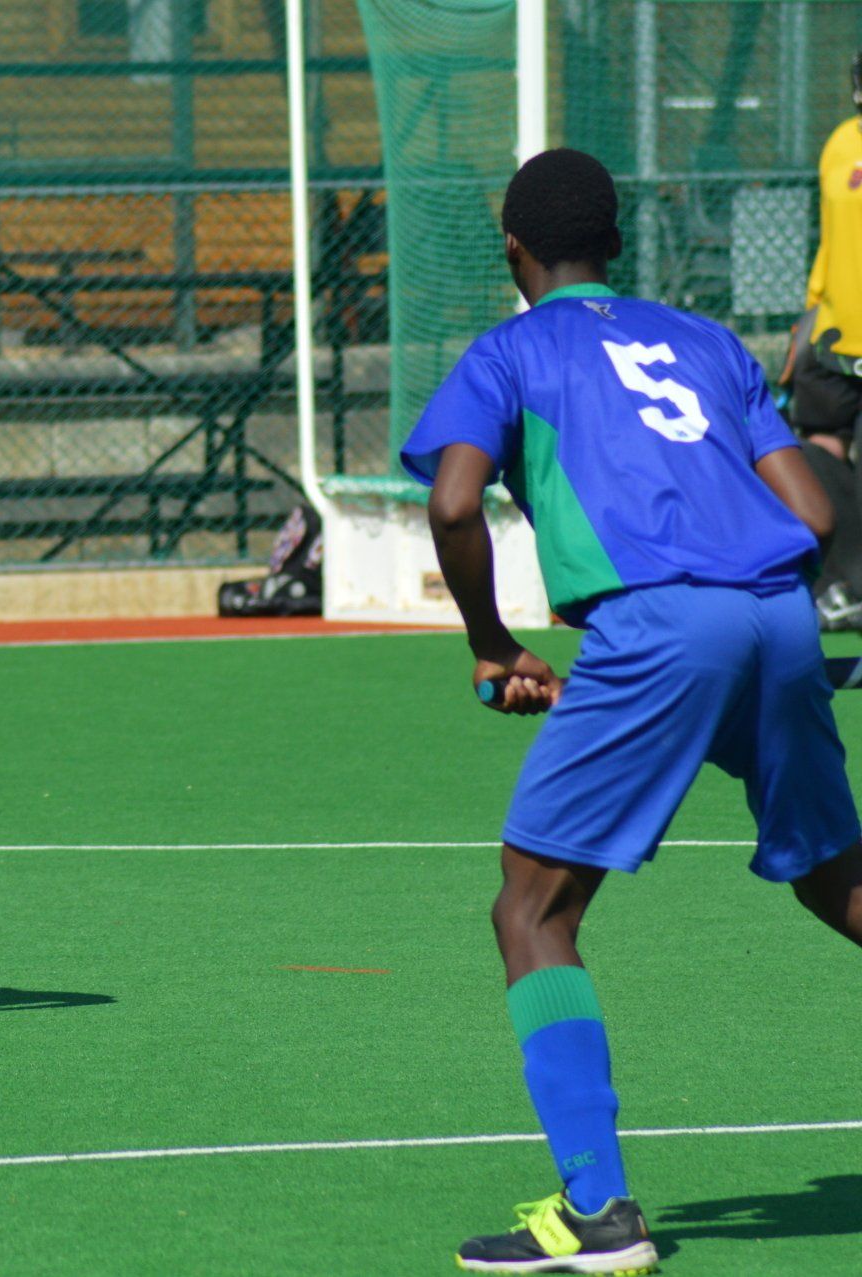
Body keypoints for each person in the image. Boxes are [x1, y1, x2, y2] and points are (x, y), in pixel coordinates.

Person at [401, 148, 862, 1274]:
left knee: (531, 908)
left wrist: (492, 641)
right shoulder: (705, 341)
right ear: (616, 243)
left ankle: (599, 1210)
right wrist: (749, 632)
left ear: (514, 250)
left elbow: (454, 502)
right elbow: (812, 510)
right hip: (776, 613)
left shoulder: (509, 350)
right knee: (836, 876)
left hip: (658, 628)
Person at [785, 50, 862, 627]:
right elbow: (832, 240)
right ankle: (842, 586)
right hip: (834, 334)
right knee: (816, 449)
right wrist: (809, 317)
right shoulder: (839, 144)